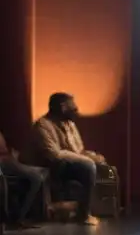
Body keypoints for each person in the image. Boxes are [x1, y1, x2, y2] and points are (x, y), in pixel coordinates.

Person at [23, 92, 104, 225]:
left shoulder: (69, 124)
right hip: (46, 166)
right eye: (73, 106)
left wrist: (92, 156)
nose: (76, 109)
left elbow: (78, 150)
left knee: (93, 164)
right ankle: (83, 214)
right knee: (88, 166)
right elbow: (54, 155)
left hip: (62, 165)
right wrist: (87, 160)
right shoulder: (42, 125)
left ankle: (83, 210)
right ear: (62, 107)